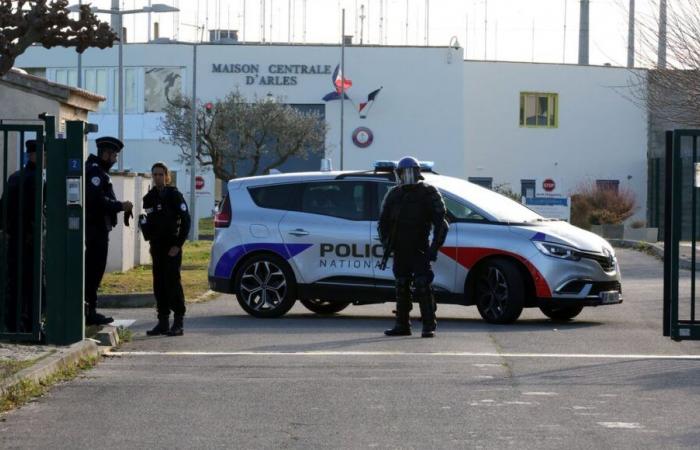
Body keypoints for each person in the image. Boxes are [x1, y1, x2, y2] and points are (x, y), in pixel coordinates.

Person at [378, 156, 449, 338]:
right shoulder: (394, 194)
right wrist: (387, 244)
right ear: (399, 174)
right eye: (404, 172)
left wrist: (434, 249)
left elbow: (441, 223)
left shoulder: (428, 192)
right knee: (401, 284)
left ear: (417, 173)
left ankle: (428, 324)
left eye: (411, 172)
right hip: (400, 248)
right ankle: (402, 324)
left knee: (422, 285)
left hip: (420, 248)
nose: (407, 176)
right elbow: (383, 223)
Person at [85, 137, 133, 326]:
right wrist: (120, 205)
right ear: (105, 154)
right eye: (113, 155)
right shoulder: (96, 172)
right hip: (95, 230)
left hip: (98, 229)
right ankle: (89, 311)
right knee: (93, 271)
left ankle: (89, 309)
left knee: (95, 271)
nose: (114, 159)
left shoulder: (99, 171)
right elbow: (96, 200)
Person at [139, 162, 191, 336]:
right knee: (159, 283)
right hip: (157, 246)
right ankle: (163, 321)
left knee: (172, 282)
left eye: (161, 174)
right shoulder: (149, 198)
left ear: (167, 176)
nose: (158, 177)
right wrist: (144, 225)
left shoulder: (174, 195)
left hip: (172, 246)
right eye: (155, 174)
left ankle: (178, 322)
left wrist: (178, 245)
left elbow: (186, 221)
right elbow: (150, 223)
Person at [1, 140, 39, 332]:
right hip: (28, 238)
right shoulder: (35, 179)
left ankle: (13, 323)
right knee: (30, 284)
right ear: (33, 155)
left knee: (15, 282)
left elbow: (3, 207)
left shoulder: (15, 177)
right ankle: (27, 325)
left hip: (14, 237)